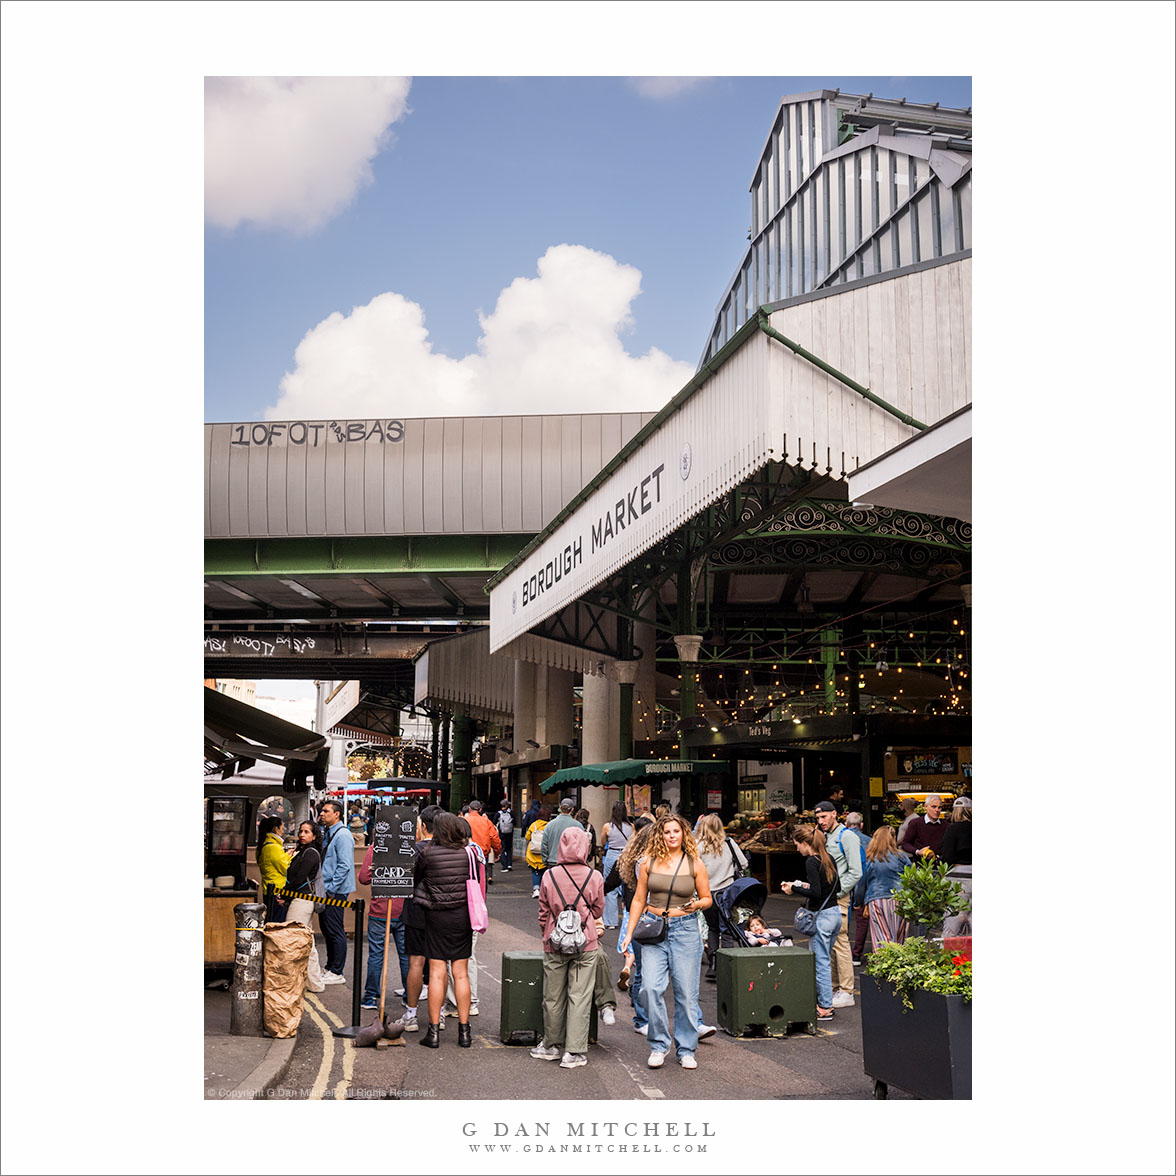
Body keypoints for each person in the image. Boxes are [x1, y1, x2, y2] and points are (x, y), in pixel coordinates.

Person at [619, 814, 713, 1071]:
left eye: (675, 831)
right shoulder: (647, 862)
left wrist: (697, 904)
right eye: (666, 832)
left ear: (683, 834)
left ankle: (686, 1049)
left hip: (685, 931)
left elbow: (707, 898)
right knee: (649, 989)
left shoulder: (695, 864)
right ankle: (659, 1044)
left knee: (686, 993)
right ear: (659, 835)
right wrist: (628, 933)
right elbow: (638, 899)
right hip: (654, 930)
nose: (671, 836)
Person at [530, 826, 606, 1070]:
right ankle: (573, 1052)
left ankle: (550, 1046)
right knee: (580, 996)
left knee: (552, 997)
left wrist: (548, 931)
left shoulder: (549, 876)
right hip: (586, 943)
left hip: (555, 943)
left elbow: (543, 912)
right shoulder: (595, 876)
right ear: (585, 846)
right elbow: (598, 911)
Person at [412, 812, 477, 1048]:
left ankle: (433, 1033)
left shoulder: (428, 853)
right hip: (462, 916)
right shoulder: (466, 853)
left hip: (436, 915)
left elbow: (415, 878)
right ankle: (464, 1032)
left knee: (437, 972)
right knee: (461, 972)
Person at [781, 824, 841, 1022]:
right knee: (825, 959)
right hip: (835, 914)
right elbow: (834, 887)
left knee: (820, 963)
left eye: (797, 844)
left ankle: (824, 1006)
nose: (797, 848)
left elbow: (815, 892)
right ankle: (823, 1001)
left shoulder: (811, 862)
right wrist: (800, 884)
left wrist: (794, 889)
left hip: (822, 917)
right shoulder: (828, 858)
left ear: (806, 843)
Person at [605, 818, 654, 1035]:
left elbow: (611, 882)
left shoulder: (627, 856)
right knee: (647, 965)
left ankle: (631, 979)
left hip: (631, 911)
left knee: (636, 956)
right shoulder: (654, 860)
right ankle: (642, 1009)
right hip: (652, 913)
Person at [813, 800, 861, 1007]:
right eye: (818, 818)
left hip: (838, 897)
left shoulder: (847, 836)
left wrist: (838, 892)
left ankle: (847, 991)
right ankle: (834, 987)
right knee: (830, 943)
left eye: (824, 817)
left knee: (840, 942)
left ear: (835, 814)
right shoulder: (825, 836)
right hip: (827, 897)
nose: (821, 821)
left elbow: (856, 871)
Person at [402, 804, 441, 1032]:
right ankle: (440, 1015)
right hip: (443, 913)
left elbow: (407, 879)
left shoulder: (415, 850)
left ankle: (411, 1014)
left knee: (416, 963)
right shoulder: (450, 850)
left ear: (423, 826)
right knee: (439, 965)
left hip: (416, 910)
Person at [695, 813, 748, 980]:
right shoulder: (729, 843)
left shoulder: (698, 845)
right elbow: (744, 863)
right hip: (727, 892)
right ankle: (727, 965)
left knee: (712, 928)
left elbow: (692, 868)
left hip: (706, 893)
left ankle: (714, 963)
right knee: (727, 929)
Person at [358, 840, 409, 1012]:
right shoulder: (408, 846)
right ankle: (410, 996)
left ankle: (371, 996)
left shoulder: (375, 848)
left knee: (376, 954)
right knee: (406, 955)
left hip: (380, 909)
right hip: (403, 909)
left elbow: (364, 877)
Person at [283, 819, 327, 992]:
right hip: (300, 900)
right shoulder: (303, 852)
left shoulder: (310, 853)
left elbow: (299, 878)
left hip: (303, 901)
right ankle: (314, 983)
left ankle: (296, 983)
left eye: (307, 832)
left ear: (314, 835)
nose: (302, 834)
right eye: (301, 831)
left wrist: (284, 894)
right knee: (307, 942)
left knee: (293, 940)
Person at [318, 801, 355, 982]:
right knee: (327, 928)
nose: (322, 813)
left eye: (326, 811)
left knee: (334, 929)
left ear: (337, 814)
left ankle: (337, 971)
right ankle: (330, 967)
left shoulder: (343, 836)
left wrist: (331, 889)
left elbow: (345, 865)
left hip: (335, 890)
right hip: (328, 888)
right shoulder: (330, 833)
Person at [862, 826, 911, 947]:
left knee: (881, 938)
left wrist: (859, 902)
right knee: (899, 940)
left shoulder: (870, 858)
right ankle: (898, 963)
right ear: (892, 839)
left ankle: (884, 963)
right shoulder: (902, 857)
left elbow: (862, 882)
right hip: (900, 899)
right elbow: (911, 879)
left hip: (876, 899)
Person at [940, 796, 972, 936]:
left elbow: (947, 857)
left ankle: (947, 954)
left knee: (952, 922)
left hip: (958, 878)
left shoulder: (952, 830)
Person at [599, 802, 634, 928]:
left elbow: (603, 841)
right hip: (626, 856)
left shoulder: (607, 826)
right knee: (628, 886)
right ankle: (628, 917)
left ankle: (611, 922)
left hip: (612, 854)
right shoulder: (632, 826)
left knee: (610, 889)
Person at [844, 812, 872, 963]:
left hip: (845, 883)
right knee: (862, 920)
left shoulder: (841, 840)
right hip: (865, 883)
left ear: (846, 825)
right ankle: (857, 954)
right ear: (861, 826)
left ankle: (842, 951)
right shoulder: (870, 841)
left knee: (843, 918)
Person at [256, 816, 289, 922]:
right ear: (276, 828)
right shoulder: (273, 847)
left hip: (269, 889)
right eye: (282, 828)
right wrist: (291, 856)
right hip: (277, 890)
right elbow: (285, 868)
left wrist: (286, 855)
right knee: (277, 924)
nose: (283, 831)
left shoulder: (264, 845)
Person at [464, 800, 501, 885]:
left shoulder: (464, 821)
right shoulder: (486, 821)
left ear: (469, 809)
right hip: (482, 855)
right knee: (481, 881)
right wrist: (497, 852)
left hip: (466, 855)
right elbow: (494, 838)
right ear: (480, 810)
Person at [900, 793, 947, 859]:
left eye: (939, 807)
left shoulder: (946, 826)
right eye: (934, 807)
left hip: (940, 866)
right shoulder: (915, 823)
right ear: (925, 806)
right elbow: (905, 844)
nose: (937, 810)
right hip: (920, 865)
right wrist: (918, 852)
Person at [540, 798, 580, 869]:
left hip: (553, 862)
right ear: (572, 809)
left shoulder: (550, 825)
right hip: (571, 863)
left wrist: (545, 861)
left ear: (560, 808)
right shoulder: (578, 826)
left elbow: (544, 845)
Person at [525, 805, 552, 898]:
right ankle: (545, 890)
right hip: (545, 852)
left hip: (533, 853)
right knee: (545, 872)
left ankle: (536, 889)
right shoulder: (550, 826)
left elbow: (527, 837)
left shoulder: (534, 825)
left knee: (535, 871)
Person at [495, 798, 517, 872]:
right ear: (507, 805)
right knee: (509, 848)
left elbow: (494, 822)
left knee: (502, 849)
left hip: (501, 833)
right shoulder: (511, 813)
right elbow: (515, 822)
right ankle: (509, 864)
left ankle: (504, 866)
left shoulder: (498, 813)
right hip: (509, 833)